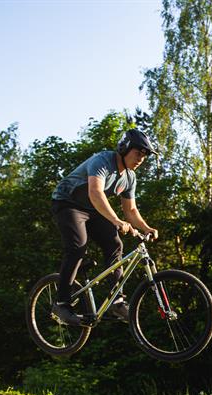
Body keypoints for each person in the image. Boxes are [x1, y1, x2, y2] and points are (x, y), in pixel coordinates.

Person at [50, 128, 159, 325]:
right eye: (138, 153)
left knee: (114, 245)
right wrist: (116, 221)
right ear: (125, 148)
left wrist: (146, 228)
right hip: (68, 203)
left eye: (144, 156)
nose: (141, 159)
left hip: (92, 209)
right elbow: (95, 192)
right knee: (77, 247)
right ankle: (61, 303)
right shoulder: (102, 161)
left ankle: (116, 302)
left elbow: (131, 210)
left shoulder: (130, 177)